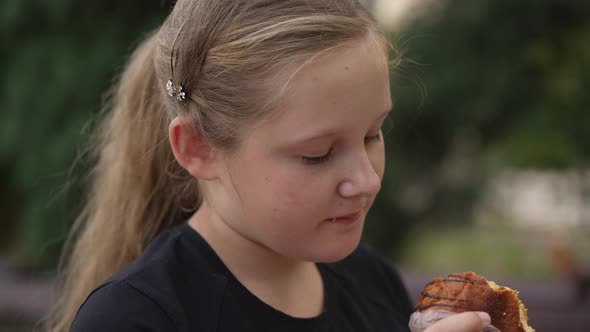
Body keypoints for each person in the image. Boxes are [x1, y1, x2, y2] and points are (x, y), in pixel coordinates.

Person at [45, 1, 492, 331]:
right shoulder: (137, 318)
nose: (367, 180)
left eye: (373, 134)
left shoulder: (371, 281)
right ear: (198, 148)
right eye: (317, 154)